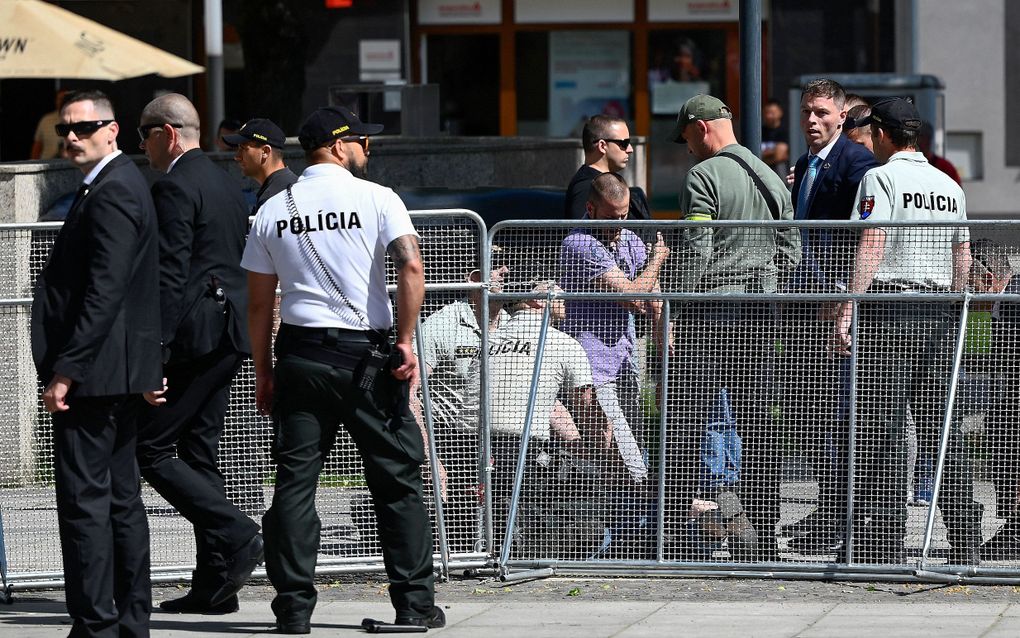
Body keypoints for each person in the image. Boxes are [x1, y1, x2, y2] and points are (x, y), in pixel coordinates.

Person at [243, 105, 443, 632]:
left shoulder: (272, 209)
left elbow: (260, 305)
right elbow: (410, 266)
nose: (368, 146)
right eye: (359, 139)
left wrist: (264, 369)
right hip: (365, 360)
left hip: (300, 356)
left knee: (294, 483)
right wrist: (405, 341)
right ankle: (415, 605)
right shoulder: (377, 198)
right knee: (397, 480)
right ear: (336, 146)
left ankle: (292, 611)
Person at [31, 89, 162, 637]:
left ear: (113, 130)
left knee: (89, 504)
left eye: (84, 128)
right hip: (114, 373)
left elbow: (105, 292)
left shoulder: (112, 190)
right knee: (118, 499)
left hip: (96, 377)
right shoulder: (110, 187)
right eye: (66, 129)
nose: (73, 138)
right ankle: (126, 620)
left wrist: (68, 369)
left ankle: (96, 624)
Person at [834, 97, 982, 565]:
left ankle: (883, 540)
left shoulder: (881, 178)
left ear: (880, 133)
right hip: (940, 314)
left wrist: (848, 308)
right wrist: (956, 311)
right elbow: (963, 254)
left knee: (885, 428)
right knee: (945, 430)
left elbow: (872, 243)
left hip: (890, 309)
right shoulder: (948, 185)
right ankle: (965, 540)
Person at [134, 93, 263, 615]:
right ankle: (216, 582)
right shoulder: (225, 183)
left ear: (167, 133)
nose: (140, 147)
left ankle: (235, 533)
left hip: (194, 337)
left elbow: (169, 276)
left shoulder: (173, 184)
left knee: (152, 450)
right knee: (199, 453)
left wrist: (154, 352)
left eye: (143, 134)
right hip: (228, 335)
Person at [666, 94, 800, 561]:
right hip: (761, 314)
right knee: (760, 424)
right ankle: (764, 538)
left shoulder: (702, 175)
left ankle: (675, 535)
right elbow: (791, 247)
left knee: (685, 419)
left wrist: (675, 308)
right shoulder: (770, 176)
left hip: (712, 312)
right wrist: (773, 292)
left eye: (685, 137)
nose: (686, 148)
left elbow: (697, 248)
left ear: (701, 128)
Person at [783, 79, 879, 555]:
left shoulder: (858, 164)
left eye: (821, 112)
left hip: (838, 306)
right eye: (806, 112)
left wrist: (843, 294)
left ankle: (847, 516)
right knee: (817, 415)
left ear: (842, 116)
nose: (812, 121)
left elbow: (864, 236)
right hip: (807, 305)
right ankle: (827, 511)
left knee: (844, 416)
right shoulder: (804, 164)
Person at [559, 172, 669, 485]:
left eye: (622, 217)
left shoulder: (628, 239)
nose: (617, 226)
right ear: (591, 209)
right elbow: (633, 296)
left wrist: (664, 353)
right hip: (593, 371)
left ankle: (626, 530)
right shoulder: (580, 243)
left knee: (633, 455)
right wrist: (657, 260)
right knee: (626, 464)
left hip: (626, 364)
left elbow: (655, 299)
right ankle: (623, 525)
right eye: (610, 217)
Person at [969, 239, 1020, 560]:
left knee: (1006, 427)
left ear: (987, 277)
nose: (959, 287)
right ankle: (1014, 522)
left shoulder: (1013, 301)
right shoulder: (1006, 300)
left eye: (965, 278)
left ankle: (1016, 528)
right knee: (1001, 423)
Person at [564, 115, 650, 220]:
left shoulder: (592, 185)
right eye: (624, 143)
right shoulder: (586, 188)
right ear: (602, 146)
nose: (630, 149)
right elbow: (579, 235)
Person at [224, 117, 298, 214]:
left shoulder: (274, 197)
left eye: (243, 149)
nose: (237, 157)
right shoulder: (289, 186)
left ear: (265, 151)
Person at [919, 121, 963, 185]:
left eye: (919, 137)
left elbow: (957, 191)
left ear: (928, 139)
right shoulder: (906, 166)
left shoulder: (944, 167)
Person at [30, 89, 68, 160]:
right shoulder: (46, 120)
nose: (62, 102)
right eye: (60, 99)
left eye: (65, 99)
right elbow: (37, 147)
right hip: (46, 165)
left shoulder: (77, 120)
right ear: (56, 101)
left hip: (68, 166)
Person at [760, 98, 789, 178]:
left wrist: (762, 157)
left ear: (780, 113)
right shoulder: (760, 132)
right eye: (766, 113)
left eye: (772, 113)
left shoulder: (783, 132)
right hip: (763, 176)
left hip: (780, 176)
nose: (769, 116)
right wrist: (773, 152)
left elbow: (779, 155)